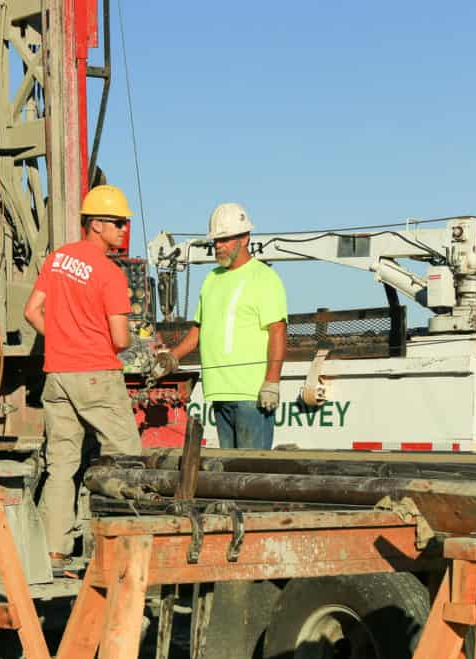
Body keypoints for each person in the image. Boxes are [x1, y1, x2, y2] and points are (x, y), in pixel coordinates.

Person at [23, 185, 142, 567]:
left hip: (57, 375)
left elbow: (31, 311)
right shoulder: (110, 275)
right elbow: (121, 339)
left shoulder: (57, 260)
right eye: (119, 223)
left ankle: (53, 552)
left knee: (61, 466)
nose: (124, 230)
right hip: (97, 375)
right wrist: (93, 342)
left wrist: (62, 338)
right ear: (97, 225)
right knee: (127, 460)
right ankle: (124, 550)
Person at [152, 202, 287, 449]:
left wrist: (272, 382)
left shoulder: (264, 278)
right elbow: (199, 329)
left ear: (245, 238)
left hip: (251, 395)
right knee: (229, 475)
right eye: (215, 241)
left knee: (250, 474)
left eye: (224, 240)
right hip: (219, 392)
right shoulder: (212, 279)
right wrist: (172, 357)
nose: (218, 246)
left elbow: (278, 330)